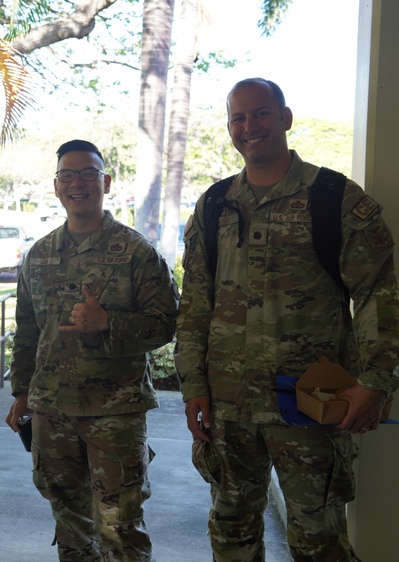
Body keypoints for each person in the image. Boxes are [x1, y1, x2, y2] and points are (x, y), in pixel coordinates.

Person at [176, 78, 399, 561]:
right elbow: (195, 303)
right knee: (231, 533)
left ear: (285, 118)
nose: (248, 126)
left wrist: (378, 380)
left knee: (318, 541)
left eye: (260, 114)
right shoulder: (214, 205)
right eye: (238, 117)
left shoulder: (334, 198)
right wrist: (193, 384)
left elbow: (379, 293)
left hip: (309, 403)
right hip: (228, 408)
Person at [5, 139, 179, 561]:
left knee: (120, 527)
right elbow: (27, 331)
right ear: (56, 185)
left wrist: (109, 322)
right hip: (51, 412)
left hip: (114, 412)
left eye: (88, 173)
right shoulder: (39, 254)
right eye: (68, 174)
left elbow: (169, 323)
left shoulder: (136, 252)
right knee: (69, 522)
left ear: (106, 181)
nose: (77, 183)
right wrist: (21, 393)